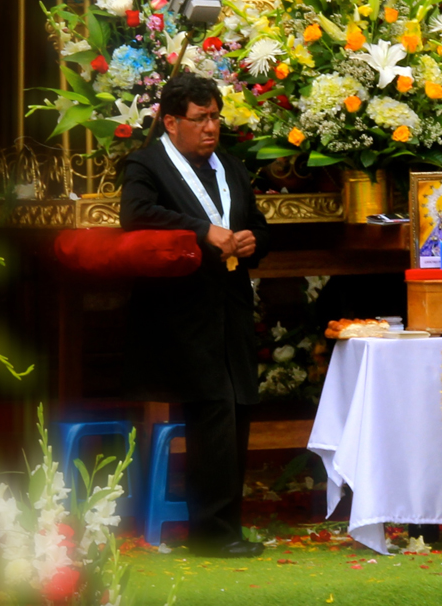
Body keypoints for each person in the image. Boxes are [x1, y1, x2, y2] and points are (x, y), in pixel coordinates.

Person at [120, 74, 271, 556]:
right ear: (170, 121)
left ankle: (227, 528)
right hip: (176, 313)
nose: (211, 127)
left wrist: (251, 241)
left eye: (215, 117)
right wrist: (203, 230)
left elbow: (259, 225)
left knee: (237, 412)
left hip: (230, 305)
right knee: (212, 412)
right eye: (200, 118)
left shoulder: (229, 165)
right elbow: (137, 215)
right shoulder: (146, 165)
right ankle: (210, 534)